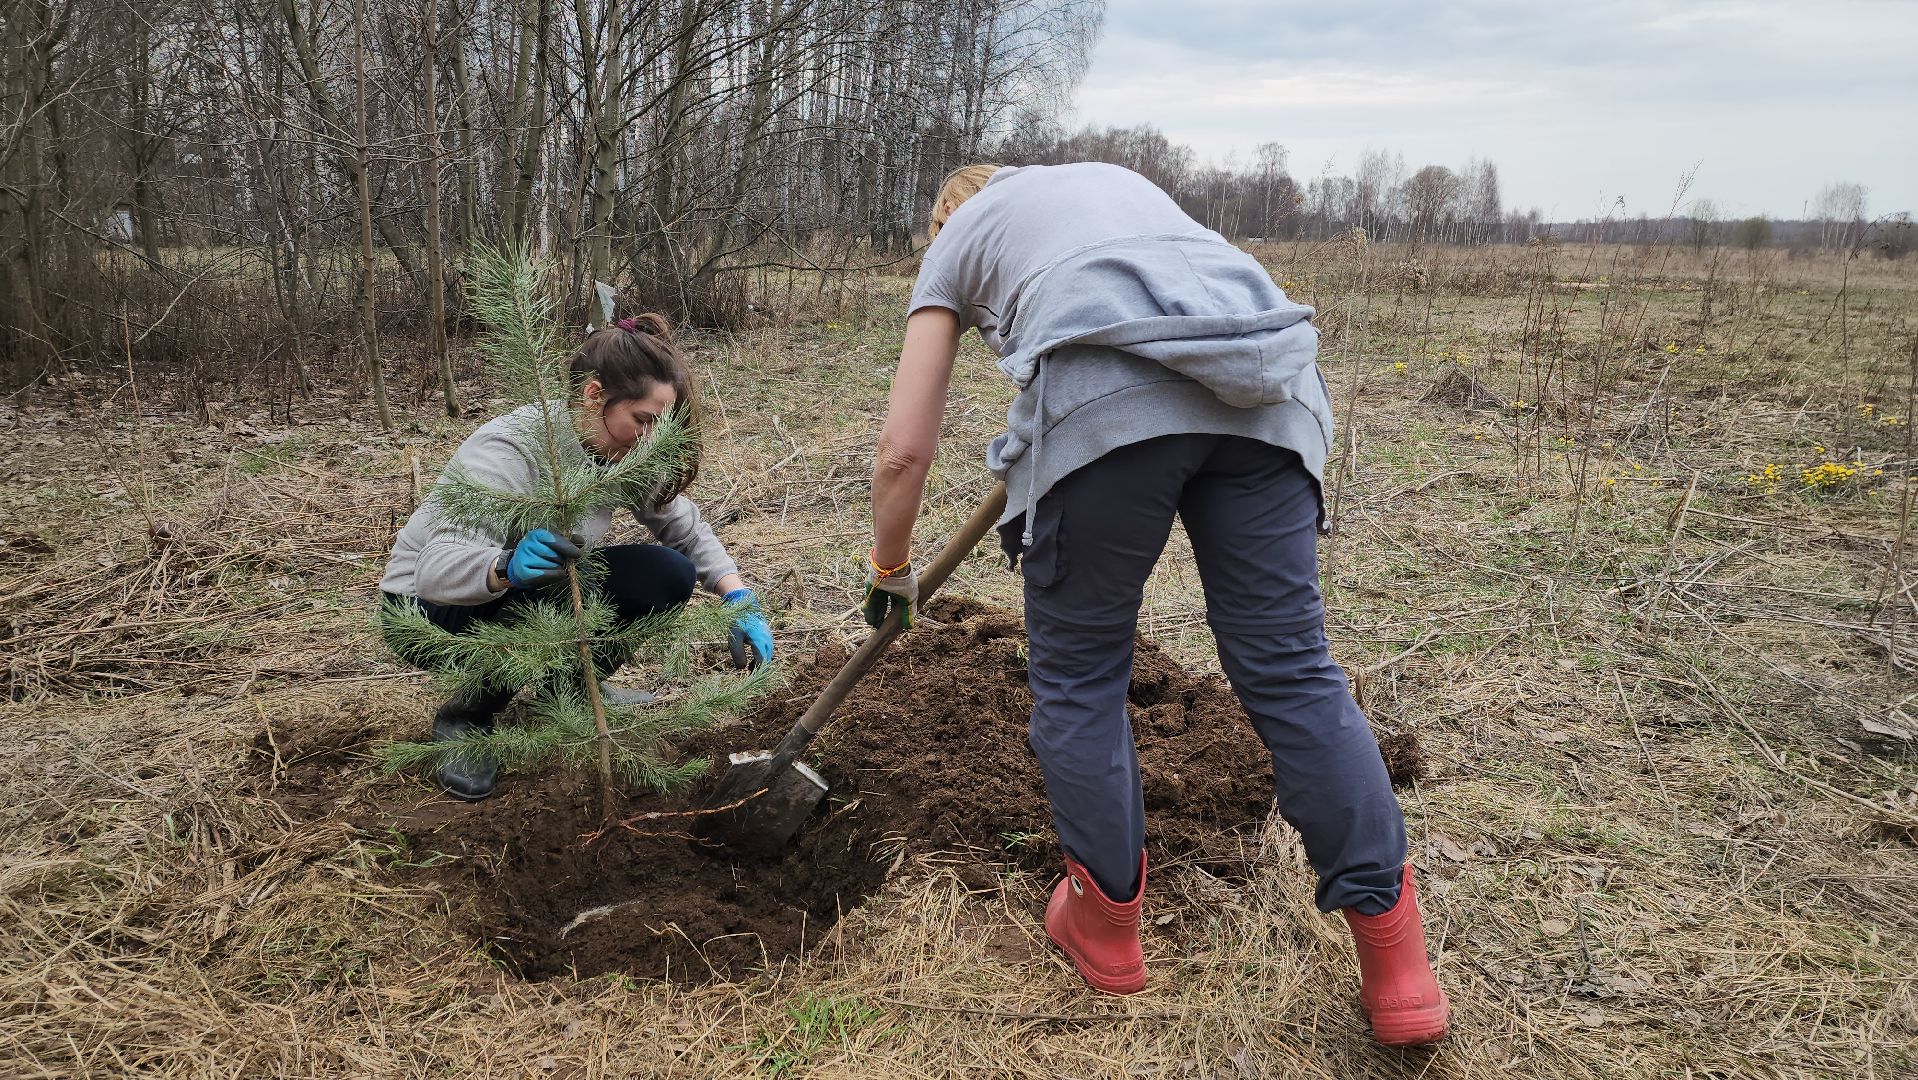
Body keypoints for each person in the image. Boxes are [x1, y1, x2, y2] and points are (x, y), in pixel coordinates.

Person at [859, 163, 1447, 1045]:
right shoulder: (1111, 183)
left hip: (1111, 407)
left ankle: (1105, 931)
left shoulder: (956, 240)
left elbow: (903, 450)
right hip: (1271, 395)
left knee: (1081, 679)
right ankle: (1400, 970)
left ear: (949, 216)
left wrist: (890, 565)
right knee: (1292, 673)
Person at [380, 314, 773, 802]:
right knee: (567, 583)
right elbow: (433, 570)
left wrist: (736, 594)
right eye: (644, 421)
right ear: (593, 396)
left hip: (525, 593)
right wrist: (504, 565)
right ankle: (468, 718)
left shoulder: (623, 450)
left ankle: (566, 692)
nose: (652, 439)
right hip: (426, 608)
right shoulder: (509, 449)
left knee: (667, 573)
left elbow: (683, 527)